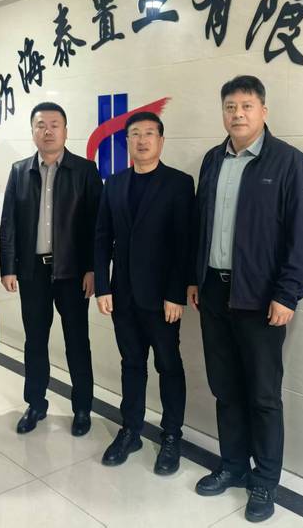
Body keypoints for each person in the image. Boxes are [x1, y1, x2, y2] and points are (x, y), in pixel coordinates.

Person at [188, 75, 303, 522]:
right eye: (230, 107)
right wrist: (195, 278)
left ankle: (264, 481)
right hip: (213, 292)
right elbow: (201, 225)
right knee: (225, 388)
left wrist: (288, 294)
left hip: (261, 299)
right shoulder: (212, 160)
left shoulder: (290, 163)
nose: (237, 114)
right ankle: (233, 466)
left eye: (246, 106)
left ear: (264, 111)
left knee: (263, 395)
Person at [94, 111, 194, 474]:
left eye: (149, 133)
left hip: (163, 299)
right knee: (131, 365)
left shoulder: (179, 183)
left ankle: (171, 436)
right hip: (123, 296)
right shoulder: (114, 183)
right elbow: (102, 236)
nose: (142, 140)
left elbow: (185, 243)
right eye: (135, 134)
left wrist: (176, 294)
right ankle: (131, 430)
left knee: (169, 366)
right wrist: (103, 287)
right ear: (127, 142)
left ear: (161, 141)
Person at [0, 102, 102, 436]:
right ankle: (35, 404)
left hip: (73, 272)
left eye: (55, 125)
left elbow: (97, 226)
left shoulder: (85, 171)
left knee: (77, 341)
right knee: (35, 341)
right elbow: (9, 222)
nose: (48, 131)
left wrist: (93, 269)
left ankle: (82, 408)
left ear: (66, 131)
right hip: (33, 272)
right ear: (32, 132)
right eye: (41, 125)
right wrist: (8, 266)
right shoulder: (19, 171)